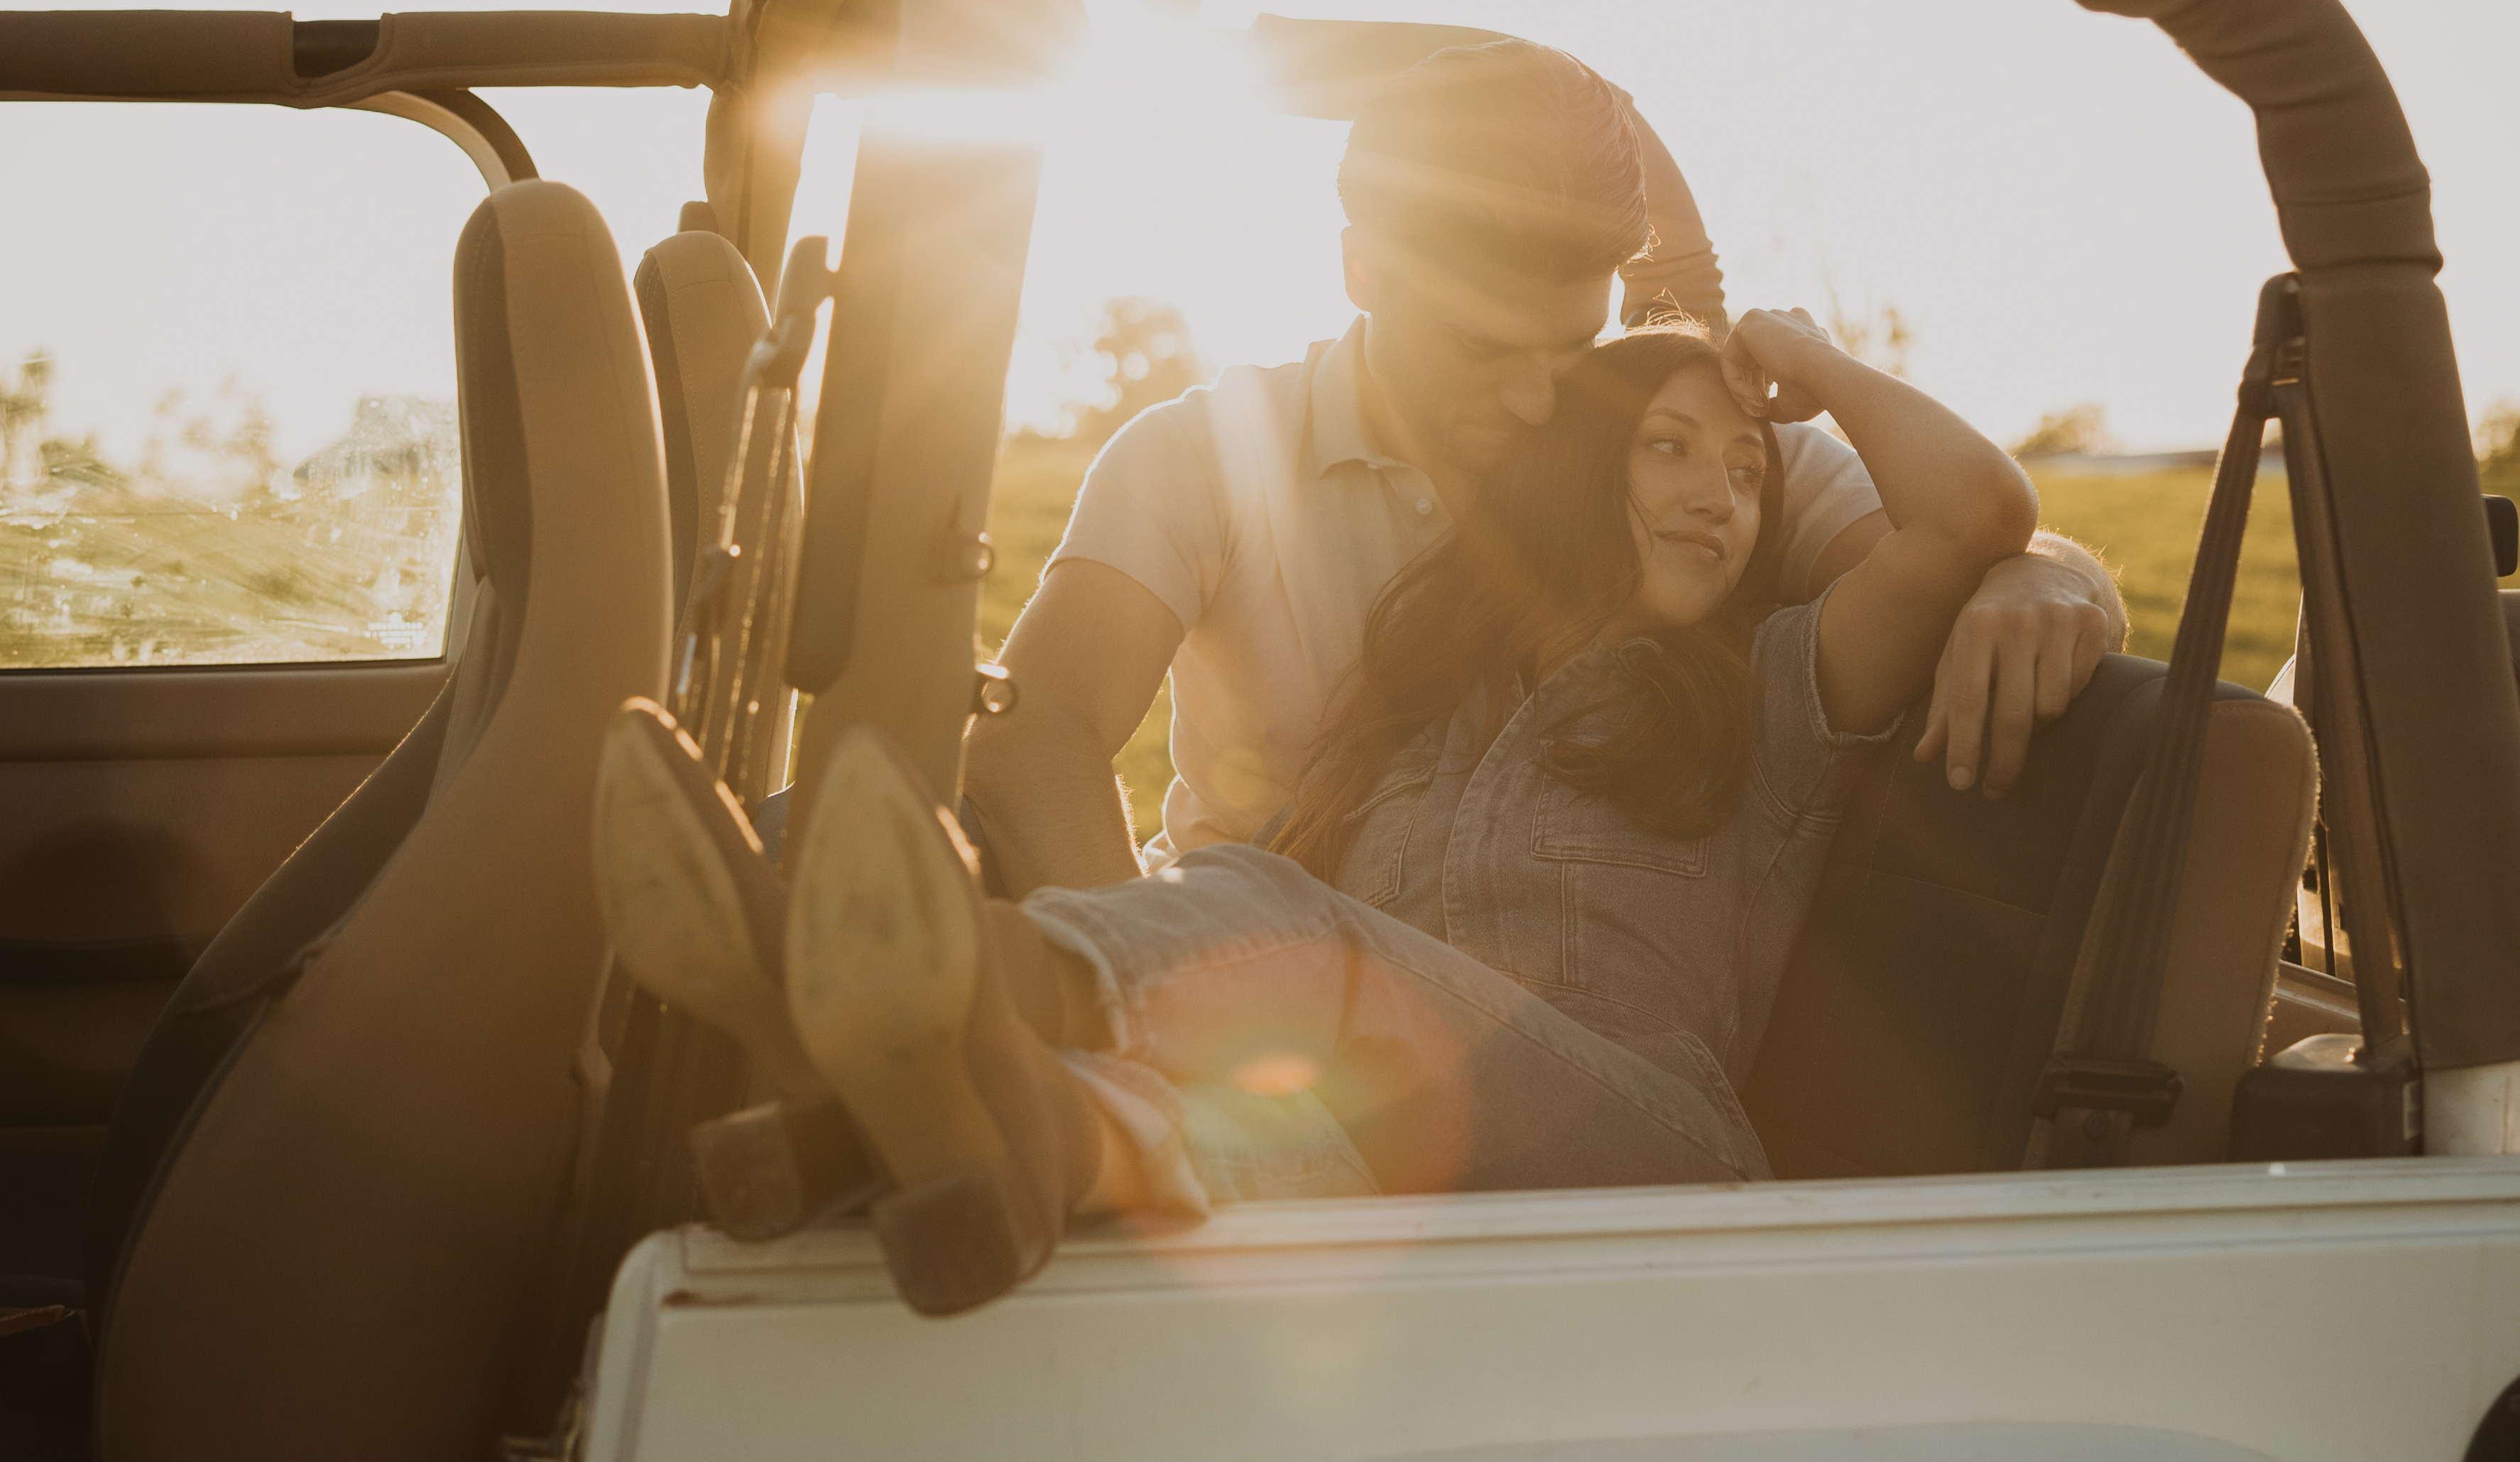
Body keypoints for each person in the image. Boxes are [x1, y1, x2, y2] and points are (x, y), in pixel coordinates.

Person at [596, 304, 2034, 1316]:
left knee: (1286, 923)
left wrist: (1804, 358)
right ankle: (985, 1124)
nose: (1717, 495)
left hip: (1648, 1159)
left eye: (1744, 473)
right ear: (1579, 465)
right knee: (1200, 1123)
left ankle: (892, 971)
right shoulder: (1426, 705)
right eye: (1667, 446)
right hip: (1417, 1159)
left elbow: (1972, 514)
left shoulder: (1774, 689)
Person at [964, 38, 2124, 898]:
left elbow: (1953, 534)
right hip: (1244, 984)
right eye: (1481, 349)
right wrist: (1140, 982)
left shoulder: (1663, 440)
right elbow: (1037, 725)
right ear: (1363, 271)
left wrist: (2043, 575)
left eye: (1568, 347)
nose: (1534, 398)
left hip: (1547, 996)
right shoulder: (1202, 453)